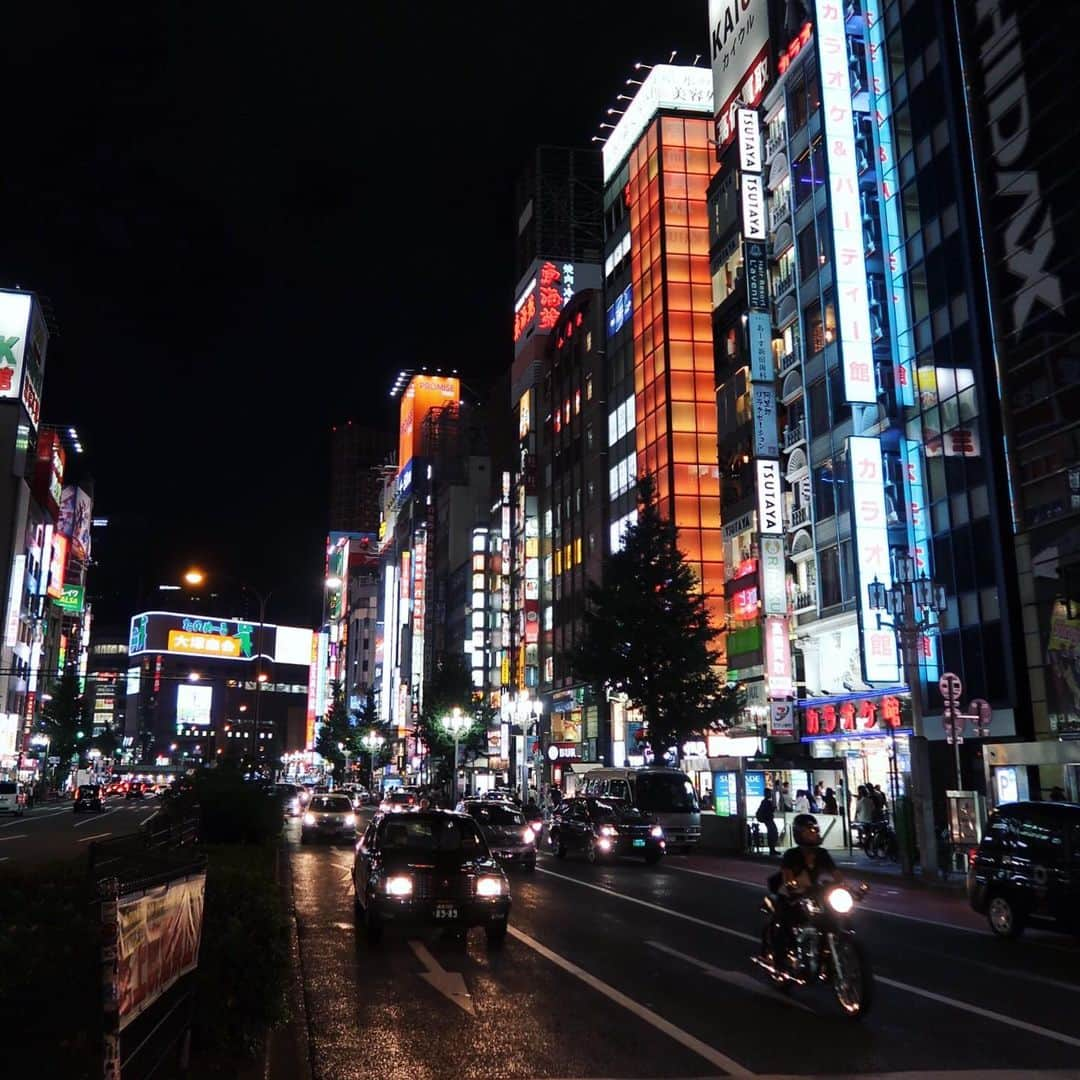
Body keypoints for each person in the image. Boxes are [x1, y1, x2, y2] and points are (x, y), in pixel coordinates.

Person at [756, 788, 780, 856]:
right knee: (773, 833)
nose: (771, 795)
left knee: (772, 833)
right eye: (770, 793)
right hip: (768, 820)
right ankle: (772, 849)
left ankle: (772, 849)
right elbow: (768, 811)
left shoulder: (764, 802)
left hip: (767, 820)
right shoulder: (766, 802)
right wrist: (773, 808)